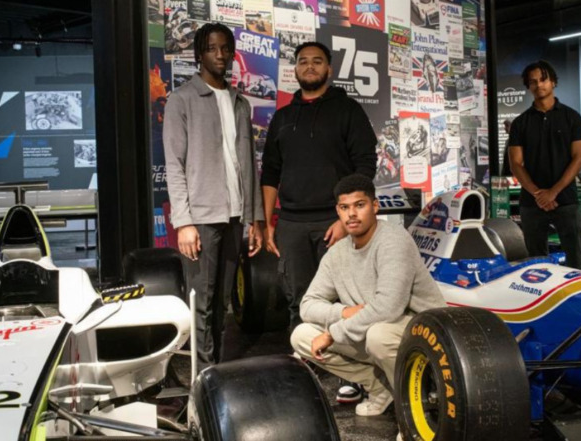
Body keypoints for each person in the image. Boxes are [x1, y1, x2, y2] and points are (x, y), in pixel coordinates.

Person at [291, 174, 446, 419]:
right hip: (369, 327)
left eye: (359, 205)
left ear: (375, 206)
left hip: (424, 328)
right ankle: (381, 388)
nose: (352, 214)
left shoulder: (393, 240)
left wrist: (333, 333)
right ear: (338, 211)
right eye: (345, 208)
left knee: (378, 336)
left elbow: (388, 307)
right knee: (302, 336)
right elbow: (308, 306)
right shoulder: (337, 254)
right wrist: (343, 313)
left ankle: (418, 410)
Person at [163, 23, 264, 370]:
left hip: (236, 217)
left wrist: (252, 219)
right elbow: (174, 164)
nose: (220, 55)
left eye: (225, 49)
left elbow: (249, 165)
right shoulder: (182, 100)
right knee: (202, 302)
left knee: (223, 301)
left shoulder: (240, 103)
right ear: (199, 54)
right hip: (202, 220)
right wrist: (184, 222)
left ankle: (217, 369)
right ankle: (204, 373)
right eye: (212, 49)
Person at [261, 41, 377, 332]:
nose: (309, 66)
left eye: (316, 61)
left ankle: (342, 367)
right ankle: (304, 364)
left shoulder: (348, 111)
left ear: (329, 69)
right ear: (295, 69)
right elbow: (271, 173)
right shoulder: (283, 118)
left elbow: (365, 167)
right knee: (298, 300)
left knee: (341, 297)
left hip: (333, 222)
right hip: (291, 224)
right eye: (302, 61)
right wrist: (268, 223)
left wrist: (344, 219)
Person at [508, 60, 581, 270]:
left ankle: (579, 302)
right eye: (533, 82)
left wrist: (553, 192)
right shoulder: (520, 123)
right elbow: (516, 163)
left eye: (543, 79)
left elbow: (578, 159)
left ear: (553, 82)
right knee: (535, 265)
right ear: (528, 87)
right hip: (531, 203)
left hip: (566, 200)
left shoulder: (573, 118)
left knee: (577, 260)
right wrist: (538, 193)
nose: (539, 85)